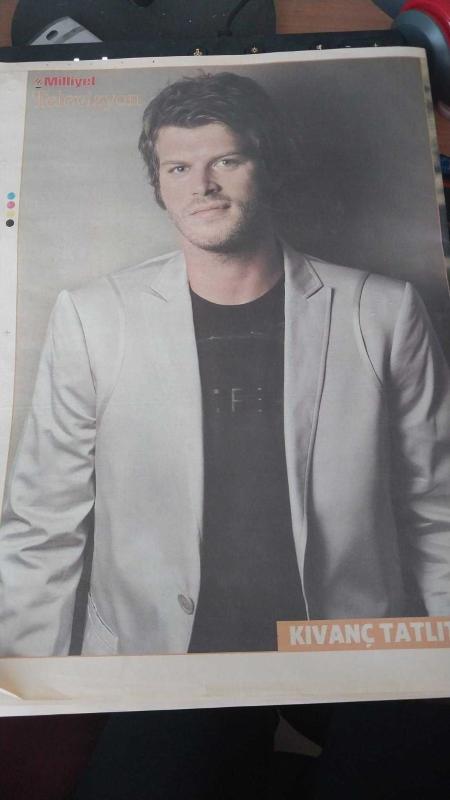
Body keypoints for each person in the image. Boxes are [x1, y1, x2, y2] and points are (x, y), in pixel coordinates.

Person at [0, 71, 449, 658]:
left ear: (270, 167)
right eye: (178, 169)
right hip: (152, 659)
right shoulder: (92, 317)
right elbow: (44, 527)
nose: (203, 187)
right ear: (158, 186)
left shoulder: (384, 311)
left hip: (343, 655)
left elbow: (437, 511)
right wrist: (32, 687)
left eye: (227, 161)